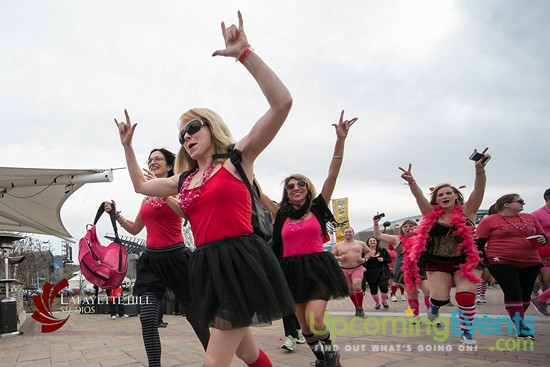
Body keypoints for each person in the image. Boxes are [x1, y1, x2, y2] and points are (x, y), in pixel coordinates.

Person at [114, 11, 294, 367]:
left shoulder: (236, 161)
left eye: (193, 127)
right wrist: (128, 146)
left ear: (211, 127)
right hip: (207, 267)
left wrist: (245, 54)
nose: (187, 136)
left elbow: (282, 104)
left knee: (215, 362)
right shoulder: (184, 180)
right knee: (248, 353)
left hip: (239, 262)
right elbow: (139, 185)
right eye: (181, 134)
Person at [259, 110, 356, 367]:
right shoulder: (279, 213)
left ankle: (332, 357)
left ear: (307, 187)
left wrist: (340, 140)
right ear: (286, 193)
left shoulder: (318, 208)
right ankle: (322, 360)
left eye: (299, 183)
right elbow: (256, 192)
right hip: (290, 270)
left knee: (315, 321)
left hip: (317, 268)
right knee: (304, 326)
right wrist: (242, 163)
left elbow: (332, 173)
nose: (295, 188)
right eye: (290, 186)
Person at [105, 148, 210, 366]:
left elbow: (186, 213)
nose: (152, 162)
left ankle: (215, 359)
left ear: (170, 165)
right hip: (151, 263)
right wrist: (116, 214)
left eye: (158, 159)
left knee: (194, 317)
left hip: (176, 260)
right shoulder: (146, 199)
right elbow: (135, 229)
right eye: (150, 160)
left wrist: (163, 192)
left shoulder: (179, 188)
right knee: (148, 319)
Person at [399, 149, 489, 346]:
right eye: (441, 194)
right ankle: (434, 307)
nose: (445, 196)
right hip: (438, 261)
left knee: (465, 296)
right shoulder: (431, 214)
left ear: (456, 196)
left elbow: (479, 191)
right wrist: (412, 182)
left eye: (449, 193)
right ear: (436, 200)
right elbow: (419, 198)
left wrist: (479, 171)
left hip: (467, 260)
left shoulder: (468, 211)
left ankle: (466, 332)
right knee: (439, 297)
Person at [476, 194, 548, 337]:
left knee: (525, 294)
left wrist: (543, 240)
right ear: (505, 204)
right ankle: (520, 326)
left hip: (530, 260)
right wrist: (484, 261)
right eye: (519, 201)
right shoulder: (490, 220)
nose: (523, 203)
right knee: (513, 291)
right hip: (500, 259)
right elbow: (479, 243)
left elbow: (543, 236)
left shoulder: (530, 218)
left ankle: (517, 319)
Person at [372, 217, 432, 324]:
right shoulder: (397, 239)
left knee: (428, 291)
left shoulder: (423, 238)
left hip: (420, 269)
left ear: (416, 228)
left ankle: (432, 315)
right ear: (402, 229)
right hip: (403, 270)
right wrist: (376, 223)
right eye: (405, 226)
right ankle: (413, 316)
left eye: (411, 226)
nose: (408, 228)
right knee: (412, 294)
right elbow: (379, 235)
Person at [332, 227, 372, 317]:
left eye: (350, 232)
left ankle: (360, 307)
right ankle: (357, 307)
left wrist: (364, 259)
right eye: (346, 232)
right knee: (350, 291)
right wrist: (339, 258)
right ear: (343, 234)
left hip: (357, 268)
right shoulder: (338, 245)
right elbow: (332, 256)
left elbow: (369, 252)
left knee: (357, 287)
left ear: (353, 233)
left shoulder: (360, 244)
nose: (348, 233)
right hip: (344, 269)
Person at [530, 188, 550, 315]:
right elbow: (528, 232)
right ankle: (540, 299)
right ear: (548, 197)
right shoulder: (537, 214)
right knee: (542, 280)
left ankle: (541, 299)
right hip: (544, 251)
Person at [361, 237, 392, 310]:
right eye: (370, 241)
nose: (372, 242)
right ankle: (377, 303)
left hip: (382, 272)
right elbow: (360, 261)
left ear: (376, 242)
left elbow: (389, 260)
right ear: (368, 243)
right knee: (373, 289)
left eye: (374, 241)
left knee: (383, 286)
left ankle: (384, 301)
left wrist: (383, 259)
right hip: (370, 273)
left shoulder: (383, 251)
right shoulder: (364, 252)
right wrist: (363, 266)